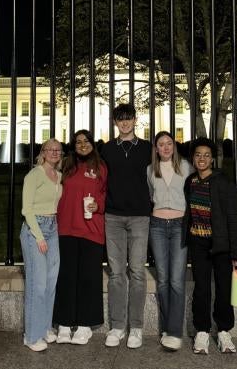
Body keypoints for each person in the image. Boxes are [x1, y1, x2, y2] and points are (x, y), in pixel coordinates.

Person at [183, 137, 237, 354]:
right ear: (193, 158)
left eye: (206, 155)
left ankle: (224, 331)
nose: (202, 158)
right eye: (198, 155)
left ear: (212, 159)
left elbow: (234, 218)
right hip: (198, 242)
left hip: (221, 244)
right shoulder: (190, 181)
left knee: (223, 287)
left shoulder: (223, 182)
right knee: (201, 288)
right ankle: (202, 331)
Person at [101, 103, 151, 349]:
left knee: (138, 272)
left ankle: (137, 328)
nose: (124, 123)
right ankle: (118, 326)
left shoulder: (147, 148)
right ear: (115, 122)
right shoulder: (107, 149)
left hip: (140, 216)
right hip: (113, 217)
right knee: (117, 273)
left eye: (128, 118)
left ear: (135, 120)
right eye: (120, 119)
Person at [53, 129, 107, 345]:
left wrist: (98, 205)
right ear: (73, 146)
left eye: (86, 141)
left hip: (91, 229)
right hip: (66, 228)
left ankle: (85, 325)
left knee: (89, 279)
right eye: (78, 142)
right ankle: (64, 323)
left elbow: (105, 194)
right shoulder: (66, 166)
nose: (82, 144)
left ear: (92, 144)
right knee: (66, 278)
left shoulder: (100, 167)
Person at [147, 131, 194, 351]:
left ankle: (175, 332)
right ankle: (166, 327)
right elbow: (150, 196)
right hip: (157, 225)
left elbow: (192, 195)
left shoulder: (185, 167)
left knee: (176, 280)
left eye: (169, 144)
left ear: (174, 146)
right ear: (156, 149)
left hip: (178, 226)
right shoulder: (150, 170)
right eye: (161, 144)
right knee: (163, 280)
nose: (165, 148)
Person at [20, 138, 63, 352]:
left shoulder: (59, 176)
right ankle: (32, 335)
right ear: (43, 152)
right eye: (50, 149)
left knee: (50, 281)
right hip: (34, 229)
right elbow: (26, 210)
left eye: (58, 149)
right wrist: (39, 237)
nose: (55, 152)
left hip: (53, 227)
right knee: (38, 284)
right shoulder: (34, 175)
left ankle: (45, 327)